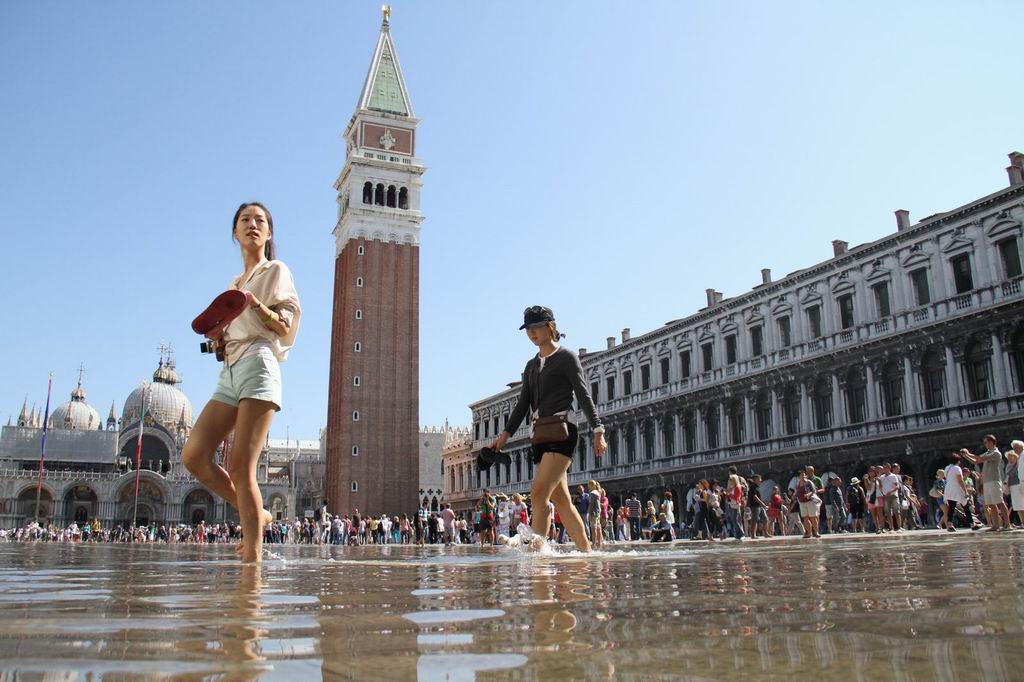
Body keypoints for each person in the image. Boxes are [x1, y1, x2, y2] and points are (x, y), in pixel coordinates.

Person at [182, 202, 301, 563]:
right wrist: (219, 339)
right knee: (194, 456)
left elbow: (285, 328)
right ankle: (259, 512)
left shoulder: (275, 271)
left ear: (269, 233)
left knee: (240, 466)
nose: (252, 224)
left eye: (260, 221)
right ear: (234, 233)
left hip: (259, 365)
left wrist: (255, 305)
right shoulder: (232, 285)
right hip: (230, 372)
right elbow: (226, 341)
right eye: (245, 220)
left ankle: (253, 562)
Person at [490, 306, 606, 552]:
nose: (532, 333)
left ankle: (533, 552)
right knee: (561, 500)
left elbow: (583, 394)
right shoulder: (531, 365)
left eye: (536, 327)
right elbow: (523, 404)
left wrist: (598, 429)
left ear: (550, 326)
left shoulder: (567, 357)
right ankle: (587, 553)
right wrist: (505, 435)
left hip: (563, 432)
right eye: (528, 329)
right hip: (540, 435)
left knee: (539, 492)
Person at [961, 436, 1012, 531]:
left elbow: (979, 458)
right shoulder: (988, 452)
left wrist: (968, 453)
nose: (986, 444)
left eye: (987, 442)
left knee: (1000, 502)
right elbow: (976, 461)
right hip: (987, 481)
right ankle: (996, 525)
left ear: (993, 442)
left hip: (994, 480)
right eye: (984, 443)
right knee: (991, 504)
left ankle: (1007, 525)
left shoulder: (996, 453)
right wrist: (966, 456)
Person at [796, 470, 821, 539]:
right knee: (805, 518)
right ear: (799, 477)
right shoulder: (798, 484)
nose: (803, 476)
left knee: (813, 517)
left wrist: (808, 494)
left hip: (810, 501)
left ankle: (816, 532)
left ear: (806, 476)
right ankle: (808, 533)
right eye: (801, 475)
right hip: (802, 502)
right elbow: (797, 493)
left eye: (804, 475)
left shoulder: (809, 482)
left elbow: (814, 491)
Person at [878, 463, 902, 532]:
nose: (884, 469)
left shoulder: (893, 476)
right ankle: (891, 528)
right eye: (884, 468)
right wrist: (883, 492)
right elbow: (880, 486)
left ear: (889, 468)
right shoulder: (881, 477)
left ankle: (899, 527)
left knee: (896, 511)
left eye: (886, 467)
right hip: (885, 496)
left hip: (894, 495)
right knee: (888, 512)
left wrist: (890, 491)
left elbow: (896, 486)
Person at [1007, 440, 1024, 527]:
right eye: (1014, 448)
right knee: (1019, 505)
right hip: (1019, 483)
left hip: (1021, 482)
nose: (1015, 449)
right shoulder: (1020, 457)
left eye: (1016, 448)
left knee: (1021, 504)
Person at [587, 481, 603, 549]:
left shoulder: (592, 493)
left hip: (593, 512)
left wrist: (589, 513)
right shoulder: (598, 492)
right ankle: (599, 543)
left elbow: (591, 504)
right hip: (598, 512)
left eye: (588, 485)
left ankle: (593, 544)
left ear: (591, 485)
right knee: (598, 528)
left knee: (594, 529)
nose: (588, 487)